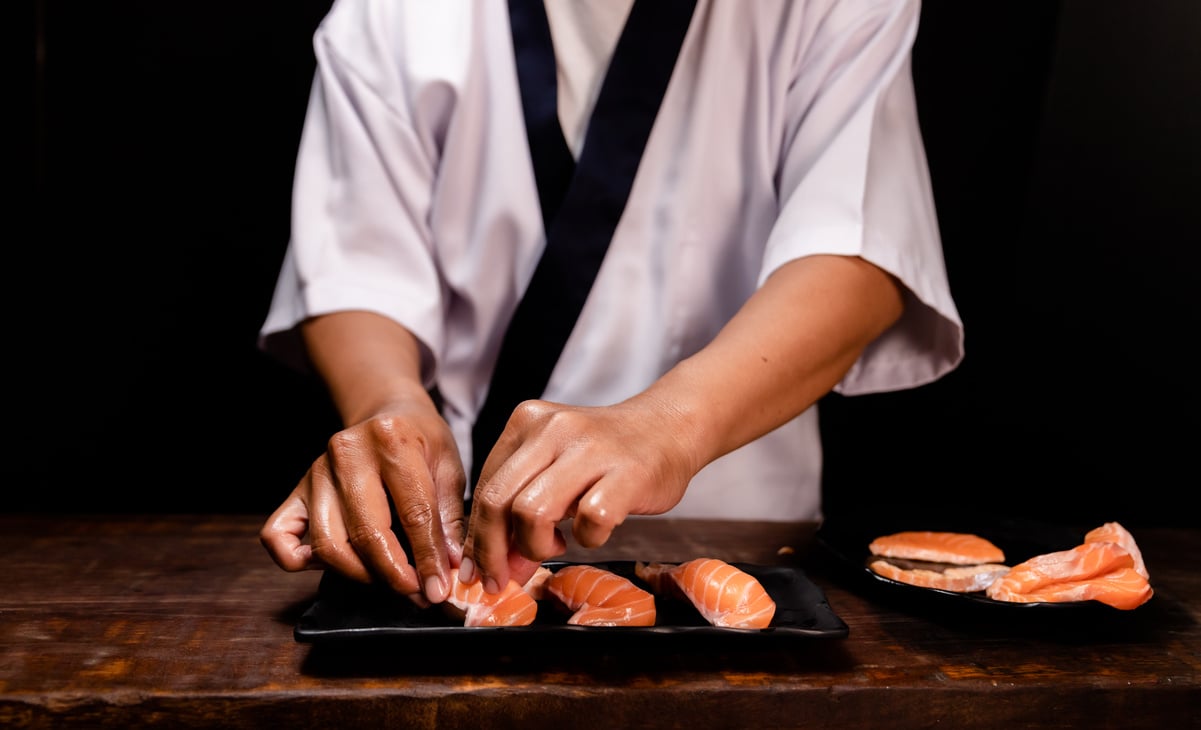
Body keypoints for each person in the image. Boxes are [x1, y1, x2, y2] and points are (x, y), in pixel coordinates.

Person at [258, 0, 964, 607]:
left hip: (735, 529)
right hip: (467, 539)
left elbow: (859, 251)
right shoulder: (389, 13)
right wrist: (390, 408)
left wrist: (668, 425)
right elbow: (355, 266)